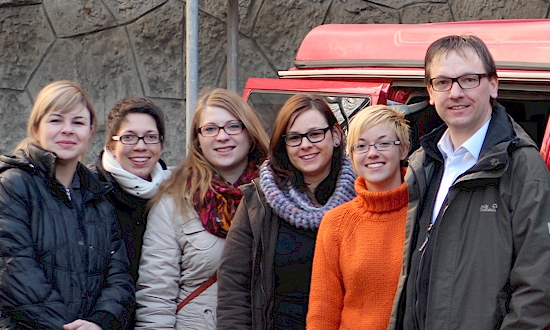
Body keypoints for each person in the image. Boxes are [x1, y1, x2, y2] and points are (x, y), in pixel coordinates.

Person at [392, 35, 550, 329]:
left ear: (493, 85)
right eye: (443, 82)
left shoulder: (522, 167)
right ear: (430, 91)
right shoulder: (423, 164)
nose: (455, 93)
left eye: (468, 79)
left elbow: (538, 288)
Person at [0, 80, 134, 329]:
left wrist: (99, 322)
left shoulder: (99, 195)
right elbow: (13, 268)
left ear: (90, 131)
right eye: (56, 120)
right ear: (37, 127)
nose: (67, 130)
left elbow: (119, 276)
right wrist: (64, 326)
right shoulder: (13, 184)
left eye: (78, 122)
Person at [217, 93, 357, 330]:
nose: (305, 145)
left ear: (335, 135)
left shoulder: (361, 199)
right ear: (283, 145)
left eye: (315, 134)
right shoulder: (258, 202)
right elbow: (233, 286)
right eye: (294, 137)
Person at [135, 88, 269, 329]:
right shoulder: (174, 201)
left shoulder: (278, 196)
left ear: (249, 132)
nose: (222, 136)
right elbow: (156, 295)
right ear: (197, 139)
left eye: (233, 126)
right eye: (210, 129)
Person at [307, 105, 410, 329]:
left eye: (383, 143)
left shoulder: (426, 213)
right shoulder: (336, 223)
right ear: (351, 156)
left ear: (404, 150)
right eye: (361, 146)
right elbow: (323, 311)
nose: (372, 153)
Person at [91, 97, 171, 328]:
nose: (140, 146)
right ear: (110, 145)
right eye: (128, 137)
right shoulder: (89, 191)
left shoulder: (175, 193)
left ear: (161, 144)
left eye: (151, 137)